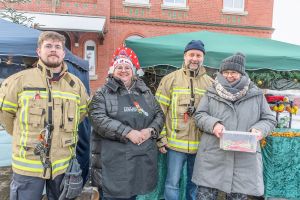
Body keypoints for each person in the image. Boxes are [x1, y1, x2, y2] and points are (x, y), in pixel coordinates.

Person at [0, 31, 89, 200]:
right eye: (48, 46)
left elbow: (82, 114)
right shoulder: (18, 81)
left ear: (63, 53)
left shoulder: (76, 85)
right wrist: (22, 135)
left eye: (58, 47)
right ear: (38, 51)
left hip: (63, 165)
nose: (53, 50)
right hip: (28, 165)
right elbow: (5, 115)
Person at [192, 53, 277, 200]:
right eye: (226, 72)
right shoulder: (211, 92)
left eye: (234, 72)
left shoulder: (256, 94)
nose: (229, 76)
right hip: (213, 156)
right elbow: (199, 115)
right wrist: (214, 124)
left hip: (243, 160)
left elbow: (269, 119)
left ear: (241, 73)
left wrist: (259, 130)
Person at [89, 46, 164, 200]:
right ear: (112, 71)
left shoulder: (145, 91)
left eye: (127, 67)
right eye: (119, 67)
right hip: (114, 162)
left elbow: (159, 115)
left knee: (133, 195)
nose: (123, 70)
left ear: (133, 71)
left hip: (139, 160)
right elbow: (98, 119)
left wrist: (150, 130)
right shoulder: (102, 93)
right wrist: (128, 132)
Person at [155, 40, 213, 200]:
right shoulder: (169, 80)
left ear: (203, 58)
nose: (194, 58)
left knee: (194, 184)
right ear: (185, 56)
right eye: (191, 54)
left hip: (200, 146)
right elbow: (158, 111)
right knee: (172, 183)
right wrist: (161, 137)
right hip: (174, 144)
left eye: (198, 55)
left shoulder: (211, 84)